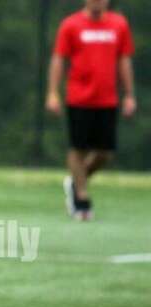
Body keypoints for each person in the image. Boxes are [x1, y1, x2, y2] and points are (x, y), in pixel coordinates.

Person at [46, 0, 136, 221]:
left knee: (105, 152)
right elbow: (59, 59)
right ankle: (82, 198)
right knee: (78, 148)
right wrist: (53, 92)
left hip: (107, 99)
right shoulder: (71, 25)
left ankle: (77, 180)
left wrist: (129, 95)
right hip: (78, 98)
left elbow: (124, 60)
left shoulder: (119, 25)